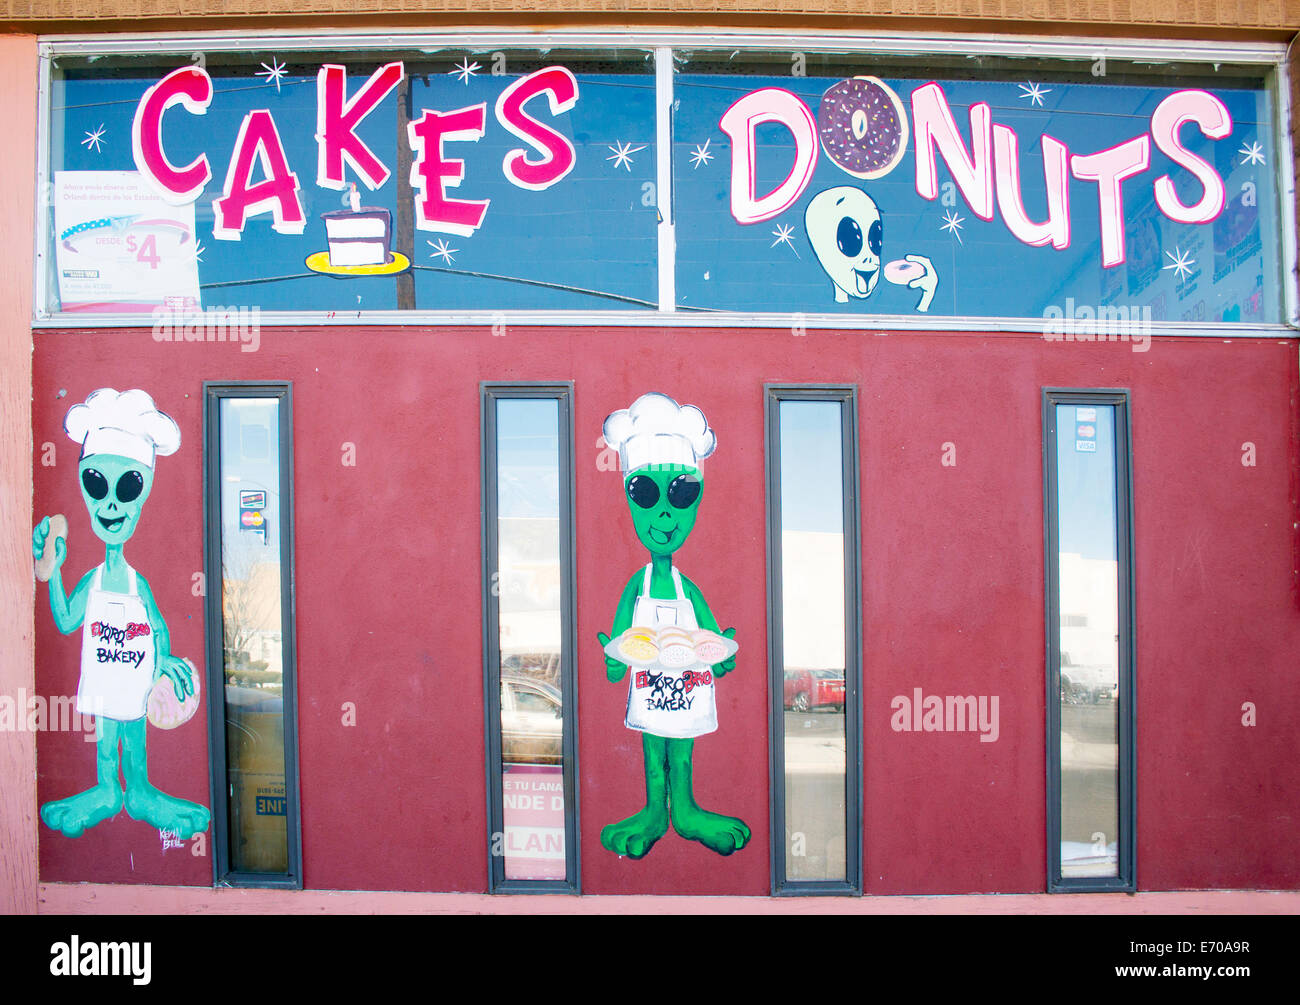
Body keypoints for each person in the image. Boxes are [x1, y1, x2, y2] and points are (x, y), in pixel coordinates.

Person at [34, 387, 210, 839]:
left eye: (128, 486)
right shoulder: (93, 579)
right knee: (107, 743)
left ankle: (140, 793)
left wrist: (165, 660)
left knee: (134, 739)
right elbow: (67, 621)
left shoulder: (137, 583)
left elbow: (157, 626)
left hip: (135, 680)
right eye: (96, 484)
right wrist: (53, 571)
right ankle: (108, 791)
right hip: (105, 676)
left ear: (142, 493)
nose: (110, 504)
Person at [596, 392, 750, 858]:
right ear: (630, 498)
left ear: (695, 502)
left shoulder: (688, 589)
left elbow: (710, 629)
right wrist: (615, 656)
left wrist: (721, 652)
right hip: (649, 682)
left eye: (682, 492)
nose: (664, 513)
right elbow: (622, 629)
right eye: (645, 491)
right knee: (652, 750)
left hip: (687, 683)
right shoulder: (637, 584)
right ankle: (654, 813)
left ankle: (683, 811)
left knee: (681, 749)